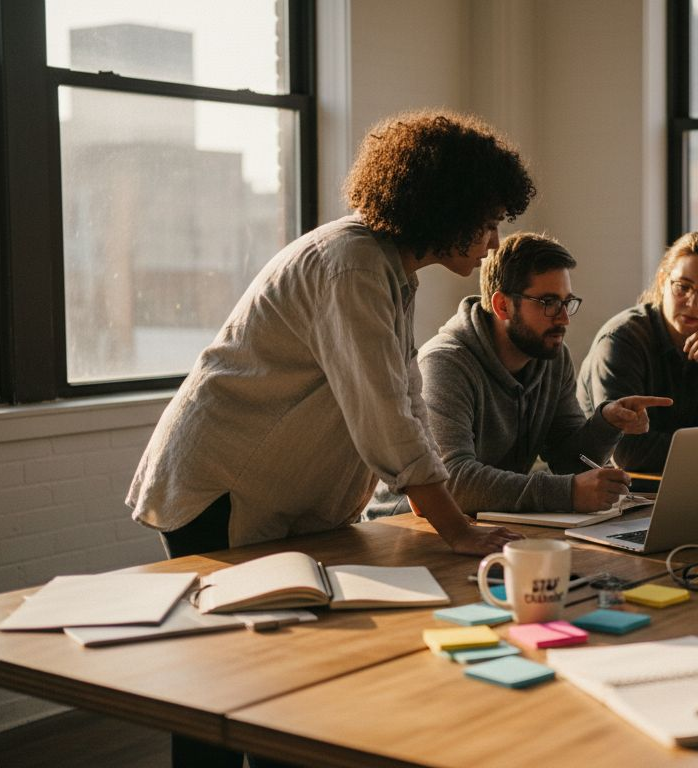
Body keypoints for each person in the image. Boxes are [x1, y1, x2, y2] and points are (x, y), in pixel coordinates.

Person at [126, 109, 534, 767]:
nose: (492, 242)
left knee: (277, 678)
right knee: (223, 684)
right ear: (445, 207)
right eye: (487, 221)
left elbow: (402, 400)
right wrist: (455, 529)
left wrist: (448, 515)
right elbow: (384, 417)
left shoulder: (388, 268)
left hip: (266, 492)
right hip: (225, 488)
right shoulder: (351, 264)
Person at [368, 232, 671, 518]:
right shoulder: (445, 363)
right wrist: (568, 493)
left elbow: (567, 459)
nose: (564, 318)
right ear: (502, 306)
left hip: (490, 523)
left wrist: (606, 424)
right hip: (409, 529)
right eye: (549, 303)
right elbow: (452, 481)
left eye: (567, 302)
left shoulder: (552, 357)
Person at [577, 230, 698, 474]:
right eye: (683, 287)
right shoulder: (622, 340)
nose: (693, 303)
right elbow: (627, 452)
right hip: (624, 493)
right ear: (662, 281)